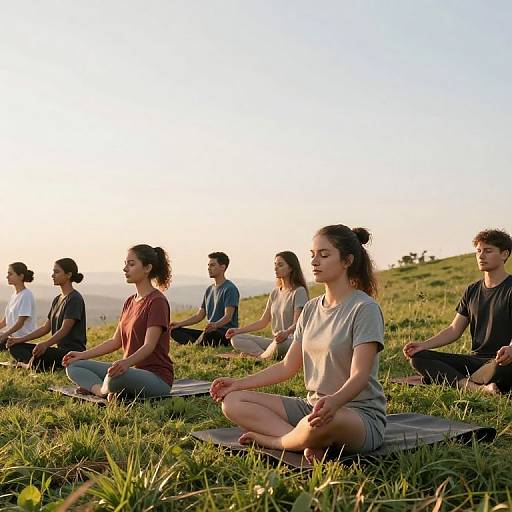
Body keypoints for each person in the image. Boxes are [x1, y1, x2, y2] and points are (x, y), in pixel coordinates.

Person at [210, 225, 386, 462]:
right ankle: (303, 441)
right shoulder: (312, 308)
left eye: (324, 255)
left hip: (355, 415)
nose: (314, 261)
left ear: (347, 261)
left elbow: (360, 376)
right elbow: (286, 367)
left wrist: (333, 403)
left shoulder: (364, 309)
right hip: (312, 408)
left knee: (323, 423)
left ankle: (276, 441)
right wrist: (238, 384)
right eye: (312, 255)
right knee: (232, 402)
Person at [403, 229, 512, 395]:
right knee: (419, 358)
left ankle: (456, 380)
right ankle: (477, 388)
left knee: (504, 366)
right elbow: (454, 330)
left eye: (488, 251)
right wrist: (423, 345)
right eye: (478, 251)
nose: (481, 256)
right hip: (476, 360)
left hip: (503, 361)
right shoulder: (472, 290)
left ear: (504, 254)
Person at [63, 245, 173, 400]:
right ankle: (102, 391)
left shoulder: (157, 301)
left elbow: (149, 345)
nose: (125, 269)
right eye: (126, 264)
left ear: (147, 268)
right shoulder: (130, 301)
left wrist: (126, 363)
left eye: (131, 264)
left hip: (156, 378)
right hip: (128, 371)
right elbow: (115, 341)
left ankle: (103, 389)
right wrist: (82, 355)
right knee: (74, 366)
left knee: (115, 377)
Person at [6, 258, 86, 371]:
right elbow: (45, 328)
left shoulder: (75, 299)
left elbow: (64, 329)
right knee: (15, 347)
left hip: (72, 352)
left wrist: (45, 344)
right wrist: (19, 340)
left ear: (68, 275)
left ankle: (30, 365)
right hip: (58, 350)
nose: (53, 275)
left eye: (57, 272)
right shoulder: (57, 299)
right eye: (53, 272)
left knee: (41, 353)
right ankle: (36, 365)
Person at [227, 251, 309, 359]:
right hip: (275, 341)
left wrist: (286, 333)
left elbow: (298, 324)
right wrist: (238, 330)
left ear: (291, 268)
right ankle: (263, 356)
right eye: (275, 265)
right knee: (236, 338)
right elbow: (263, 322)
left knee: (279, 344)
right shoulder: (275, 293)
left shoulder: (299, 291)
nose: (276, 268)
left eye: (280, 265)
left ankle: (262, 356)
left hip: (291, 341)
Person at [170, 252, 240, 346]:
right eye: (208, 265)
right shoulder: (209, 290)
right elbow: (199, 315)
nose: (209, 268)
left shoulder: (230, 289)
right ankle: (198, 343)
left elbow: (228, 317)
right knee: (175, 331)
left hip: (224, 335)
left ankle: (197, 343)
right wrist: (180, 324)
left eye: (212, 265)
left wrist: (215, 325)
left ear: (223, 267)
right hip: (208, 332)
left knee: (209, 335)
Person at [0, 263, 37, 351]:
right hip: (11, 339)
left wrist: (5, 334)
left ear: (21, 276)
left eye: (10, 274)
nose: (7, 277)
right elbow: (5, 321)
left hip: (22, 342)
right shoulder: (14, 295)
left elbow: (20, 323)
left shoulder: (26, 295)